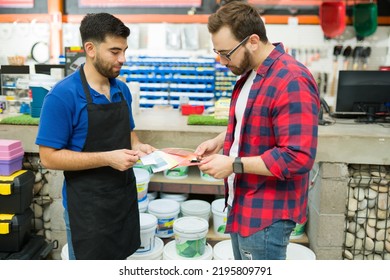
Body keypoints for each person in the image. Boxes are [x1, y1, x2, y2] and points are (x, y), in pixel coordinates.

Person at [195, 2, 320, 260]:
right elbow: (253, 121)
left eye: (226, 53)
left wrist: (233, 164)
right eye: (217, 52)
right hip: (242, 203)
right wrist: (221, 141)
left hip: (266, 215)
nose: (222, 61)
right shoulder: (252, 74)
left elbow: (298, 157)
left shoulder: (291, 80)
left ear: (253, 41)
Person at [35, 13, 155, 260]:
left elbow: (129, 135)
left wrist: (139, 146)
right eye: (114, 51)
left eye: (124, 50)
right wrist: (108, 158)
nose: (122, 59)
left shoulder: (121, 90)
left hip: (123, 201)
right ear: (90, 48)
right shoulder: (62, 96)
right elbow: (48, 158)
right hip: (87, 210)